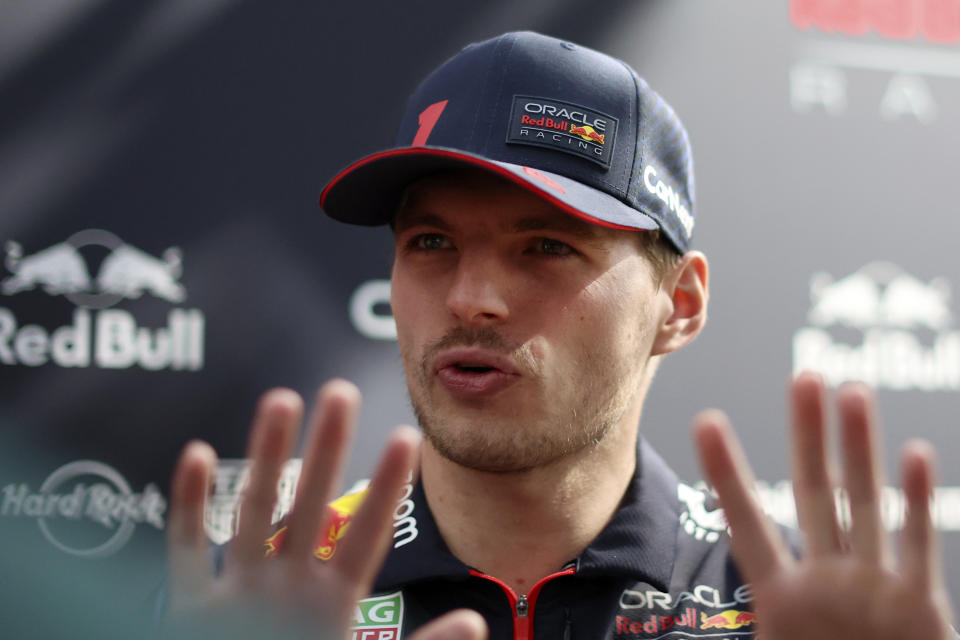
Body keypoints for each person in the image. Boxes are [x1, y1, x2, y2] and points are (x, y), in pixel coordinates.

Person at [164, 31, 954, 640]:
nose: (473, 299)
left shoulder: (788, 602)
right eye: (431, 243)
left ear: (678, 303)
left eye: (546, 247)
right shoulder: (258, 598)